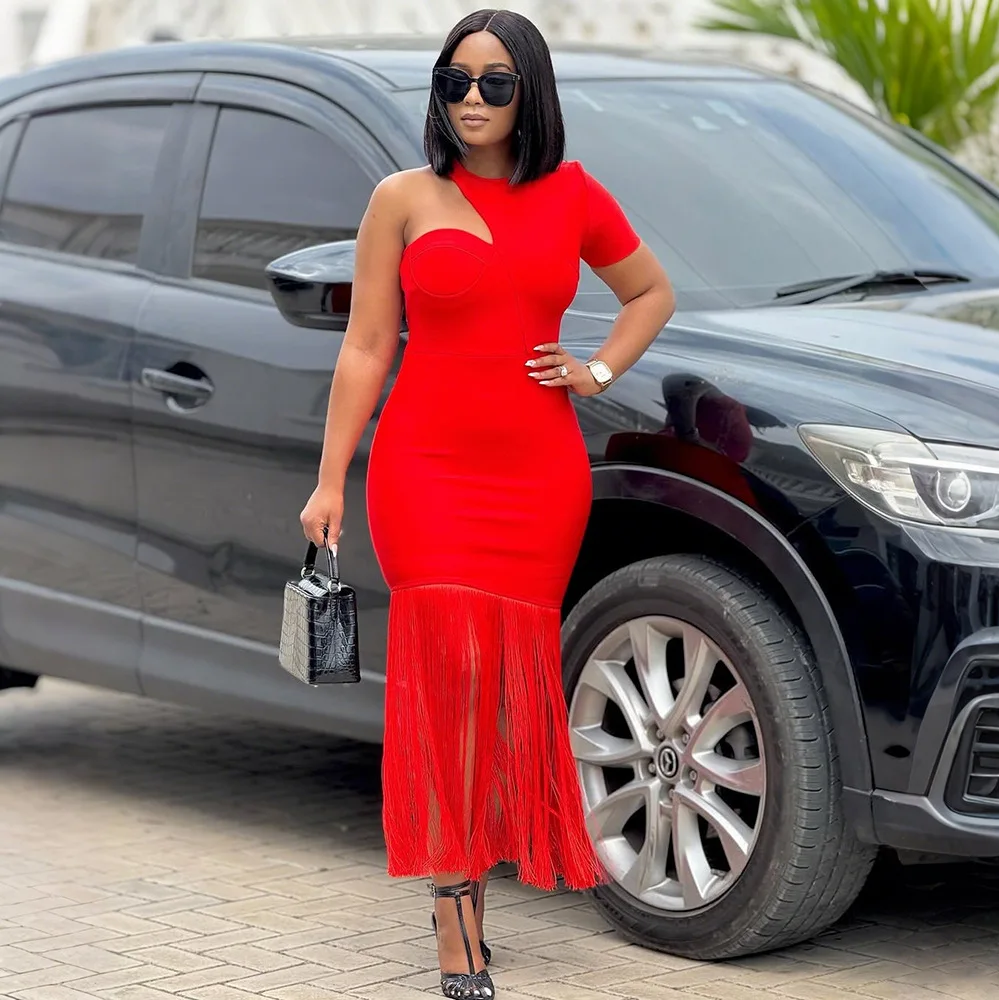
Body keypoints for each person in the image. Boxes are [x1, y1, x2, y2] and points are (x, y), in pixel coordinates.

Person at [300, 9, 675, 998]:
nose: (471, 99)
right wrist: (330, 477)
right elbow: (367, 346)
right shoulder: (401, 198)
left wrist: (596, 369)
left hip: (536, 477)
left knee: (499, 691)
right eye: (455, 81)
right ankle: (451, 910)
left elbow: (650, 293)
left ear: (528, 94)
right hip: (424, 469)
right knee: (450, 679)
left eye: (494, 83)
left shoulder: (572, 194)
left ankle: (472, 886)